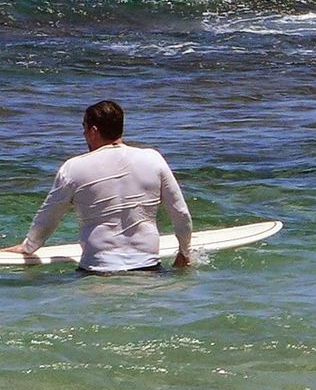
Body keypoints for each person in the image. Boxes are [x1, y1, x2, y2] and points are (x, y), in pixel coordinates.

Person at [3, 100, 192, 273]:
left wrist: (28, 246)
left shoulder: (74, 167)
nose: (84, 134)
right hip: (149, 268)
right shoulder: (153, 159)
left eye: (84, 128)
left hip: (97, 272)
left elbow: (49, 215)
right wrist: (184, 252)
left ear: (93, 131)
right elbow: (180, 213)